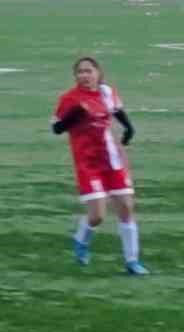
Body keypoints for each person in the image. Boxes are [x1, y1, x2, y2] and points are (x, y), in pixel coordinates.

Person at [53, 56, 147, 275]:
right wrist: (73, 117)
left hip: (113, 158)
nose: (84, 76)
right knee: (97, 216)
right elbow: (57, 129)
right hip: (88, 162)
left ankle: (132, 261)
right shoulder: (70, 99)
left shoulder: (107, 92)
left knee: (126, 207)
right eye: (80, 72)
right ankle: (81, 240)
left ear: (98, 73)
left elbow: (117, 111)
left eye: (88, 71)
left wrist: (128, 128)